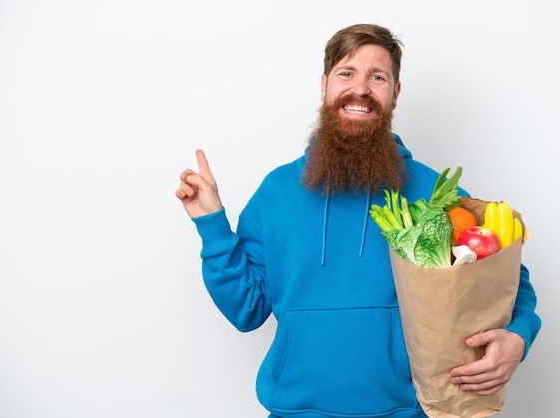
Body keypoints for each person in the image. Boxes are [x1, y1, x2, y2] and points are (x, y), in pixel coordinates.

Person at [176, 23, 541, 418]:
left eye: (377, 77)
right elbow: (246, 309)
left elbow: (504, 279)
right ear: (324, 84)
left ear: (395, 93)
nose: (361, 89)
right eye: (346, 73)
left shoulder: (433, 193)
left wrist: (519, 336)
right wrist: (211, 223)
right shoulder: (277, 191)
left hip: (408, 412)